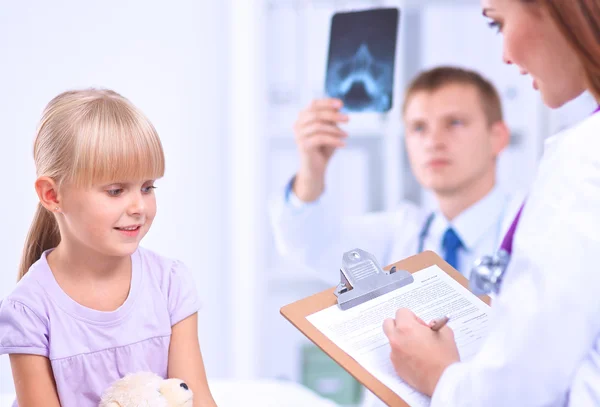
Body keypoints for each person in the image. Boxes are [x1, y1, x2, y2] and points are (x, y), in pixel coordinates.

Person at [383, 1, 600, 405]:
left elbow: (524, 389)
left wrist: (438, 374)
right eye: (418, 128)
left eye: (497, 23)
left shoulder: (585, 161)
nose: (504, 55)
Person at [0, 89, 217, 407]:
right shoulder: (29, 311)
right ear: (52, 195)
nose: (138, 206)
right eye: (116, 190)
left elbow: (196, 398)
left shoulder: (170, 282)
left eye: (147, 187)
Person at [269, 66, 523, 287]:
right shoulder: (399, 236)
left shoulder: (531, 230)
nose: (433, 142)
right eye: (419, 127)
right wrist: (312, 172)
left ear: (497, 137)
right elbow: (310, 243)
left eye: (454, 123)